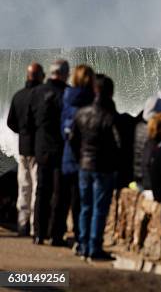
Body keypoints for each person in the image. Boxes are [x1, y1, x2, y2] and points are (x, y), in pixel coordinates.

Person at [70, 74, 120, 261]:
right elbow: (118, 144)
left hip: (84, 165)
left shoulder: (81, 113)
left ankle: (83, 246)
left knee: (85, 206)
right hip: (103, 168)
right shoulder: (109, 116)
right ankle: (94, 247)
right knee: (99, 208)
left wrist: (80, 158)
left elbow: (73, 140)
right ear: (109, 93)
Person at [29, 59, 69, 245]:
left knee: (41, 191)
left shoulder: (36, 92)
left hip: (41, 148)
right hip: (60, 149)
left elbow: (28, 121)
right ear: (62, 74)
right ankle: (56, 235)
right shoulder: (65, 93)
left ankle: (38, 234)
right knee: (59, 193)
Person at [59, 64, 95, 249]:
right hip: (84, 157)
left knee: (64, 198)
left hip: (67, 155)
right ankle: (81, 240)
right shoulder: (90, 100)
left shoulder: (67, 98)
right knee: (81, 202)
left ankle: (57, 234)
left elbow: (62, 128)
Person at [7, 62, 45, 237]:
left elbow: (10, 122)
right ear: (39, 76)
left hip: (23, 147)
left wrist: (22, 133)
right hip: (37, 148)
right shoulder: (42, 96)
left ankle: (22, 224)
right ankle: (34, 225)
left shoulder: (18, 96)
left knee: (24, 186)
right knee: (36, 187)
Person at [132, 97, 161, 189]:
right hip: (146, 182)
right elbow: (148, 163)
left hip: (136, 177)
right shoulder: (154, 133)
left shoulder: (138, 126)